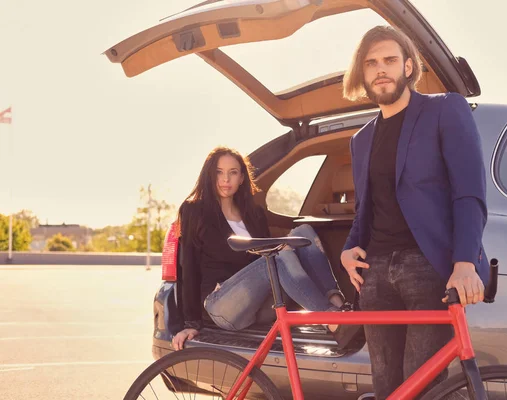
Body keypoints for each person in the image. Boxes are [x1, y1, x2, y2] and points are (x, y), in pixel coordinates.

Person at [339, 26, 490, 398]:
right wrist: (348, 248)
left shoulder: (444, 110)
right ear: (363, 73)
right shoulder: (361, 140)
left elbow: (469, 193)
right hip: (374, 275)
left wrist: (465, 263)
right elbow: (364, 211)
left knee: (422, 387)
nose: (380, 70)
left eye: (389, 60)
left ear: (408, 66)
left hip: (428, 268)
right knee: (386, 386)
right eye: (371, 63)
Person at [172, 146, 356, 351]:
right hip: (222, 304)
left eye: (233, 173)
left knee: (303, 232)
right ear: (209, 175)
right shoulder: (193, 210)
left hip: (257, 305)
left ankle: (338, 305)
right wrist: (189, 324)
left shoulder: (253, 214)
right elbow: (188, 267)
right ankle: (329, 319)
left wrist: (285, 248)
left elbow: (264, 258)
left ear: (242, 178)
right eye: (219, 172)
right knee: (277, 259)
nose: (226, 179)